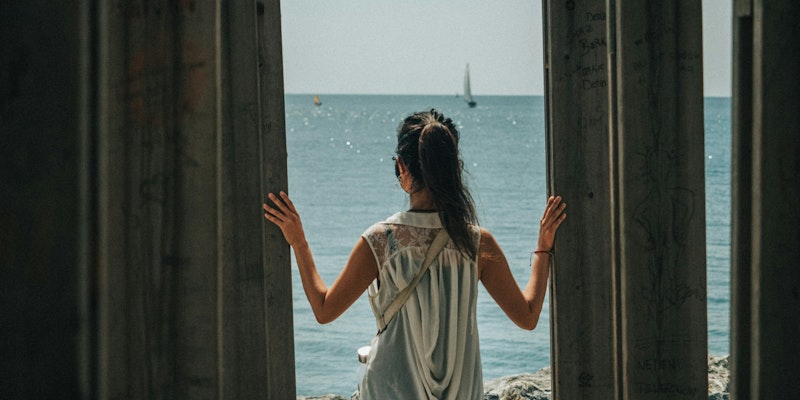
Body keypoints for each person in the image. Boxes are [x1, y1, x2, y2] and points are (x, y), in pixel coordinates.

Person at [263, 109, 566, 399]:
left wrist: (299, 243)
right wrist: (544, 246)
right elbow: (527, 317)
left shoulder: (382, 241)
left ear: (402, 168)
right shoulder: (476, 243)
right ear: (453, 169)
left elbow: (324, 309)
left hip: (389, 390)